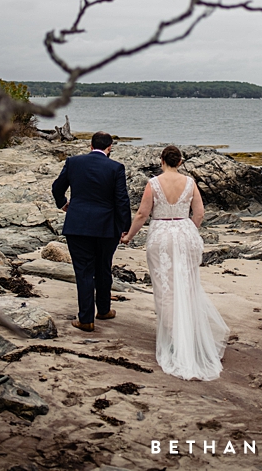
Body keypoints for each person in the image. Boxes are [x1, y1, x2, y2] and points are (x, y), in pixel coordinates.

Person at [121, 144, 229, 380]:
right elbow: (199, 213)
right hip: (185, 234)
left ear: (162, 160)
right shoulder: (190, 183)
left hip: (161, 236)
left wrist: (129, 235)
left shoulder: (154, 183)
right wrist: (188, 231)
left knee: (166, 290)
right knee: (188, 287)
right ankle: (189, 336)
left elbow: (142, 214)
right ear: (180, 162)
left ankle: (173, 341)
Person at [52, 131, 131, 332]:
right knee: (103, 267)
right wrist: (125, 228)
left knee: (84, 271)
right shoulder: (116, 168)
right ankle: (103, 310)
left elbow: (57, 188)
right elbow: (122, 200)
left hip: (78, 225)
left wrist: (63, 204)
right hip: (106, 227)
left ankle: (86, 318)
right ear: (110, 147)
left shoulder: (73, 163)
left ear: (90, 145)